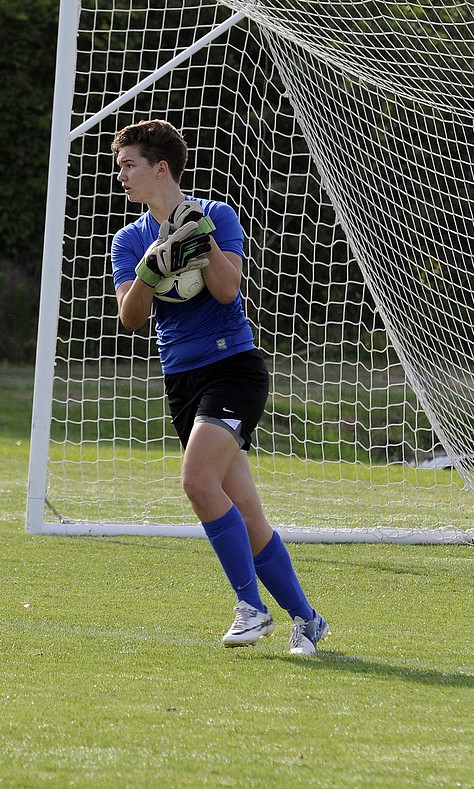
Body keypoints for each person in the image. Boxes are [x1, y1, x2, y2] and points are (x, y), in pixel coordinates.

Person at [110, 119, 329, 655]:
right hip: (181, 380)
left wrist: (199, 240)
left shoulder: (216, 214)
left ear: (161, 168)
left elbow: (229, 293)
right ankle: (307, 618)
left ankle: (250, 609)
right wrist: (149, 269)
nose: (121, 176)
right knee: (246, 515)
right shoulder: (129, 239)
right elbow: (130, 317)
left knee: (196, 482)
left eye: (129, 165)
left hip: (233, 368)